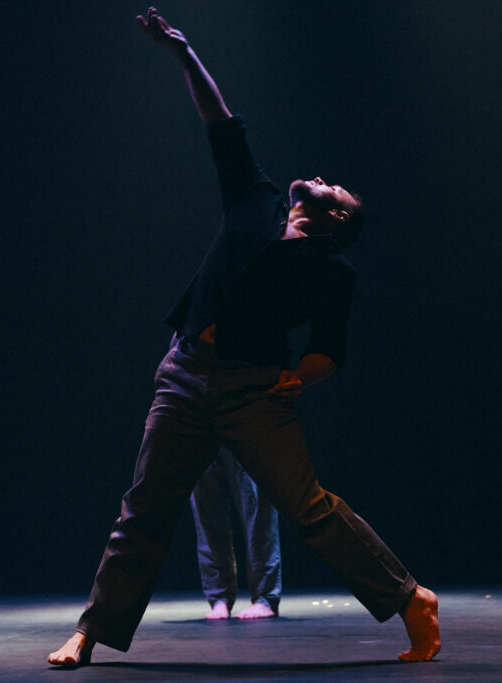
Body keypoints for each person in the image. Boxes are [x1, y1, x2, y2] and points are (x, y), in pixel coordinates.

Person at [47, 7, 440, 668]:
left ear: (335, 217)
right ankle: (92, 629)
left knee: (310, 508)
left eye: (335, 189)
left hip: (251, 390)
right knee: (144, 509)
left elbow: (329, 349)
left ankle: (411, 599)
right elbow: (222, 122)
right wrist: (183, 53)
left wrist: (294, 379)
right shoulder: (256, 199)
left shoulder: (331, 268)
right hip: (184, 372)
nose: (321, 177)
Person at [190, 448, 281, 619]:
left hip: (244, 425)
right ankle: (219, 598)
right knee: (207, 513)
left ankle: (265, 598)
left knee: (257, 511)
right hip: (199, 428)